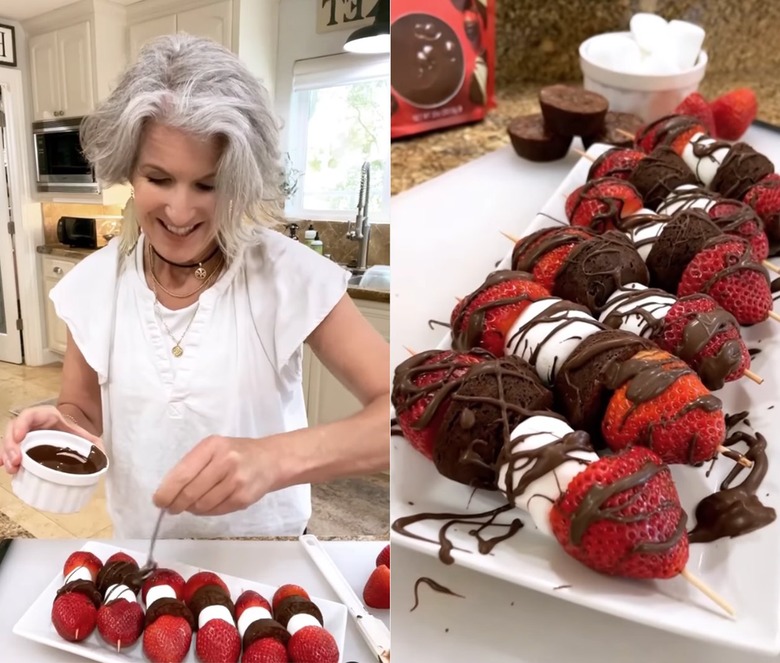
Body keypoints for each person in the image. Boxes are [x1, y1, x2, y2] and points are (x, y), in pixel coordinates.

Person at [1, 34, 390, 539]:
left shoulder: (285, 274)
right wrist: (62, 422)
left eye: (207, 185)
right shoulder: (94, 285)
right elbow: (82, 408)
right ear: (129, 171)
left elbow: (405, 413)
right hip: (145, 558)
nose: (180, 212)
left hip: (268, 563)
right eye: (158, 179)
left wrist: (276, 459)